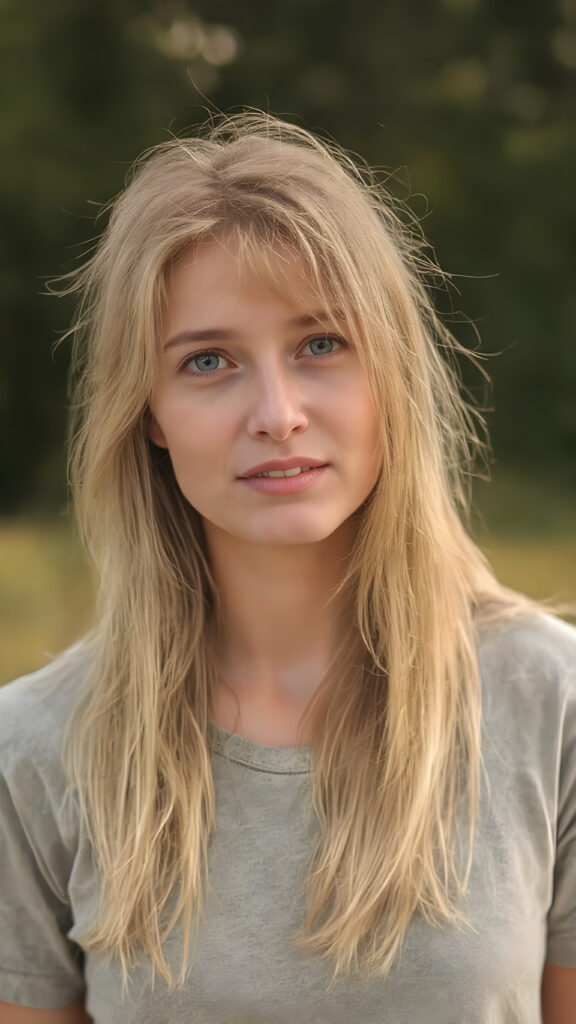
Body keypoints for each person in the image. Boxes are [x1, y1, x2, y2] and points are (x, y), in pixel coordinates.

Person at [0, 111, 575, 1024]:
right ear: (147, 411)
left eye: (320, 344)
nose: (277, 412)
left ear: (390, 369)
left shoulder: (553, 705)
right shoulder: (34, 750)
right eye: (209, 361)